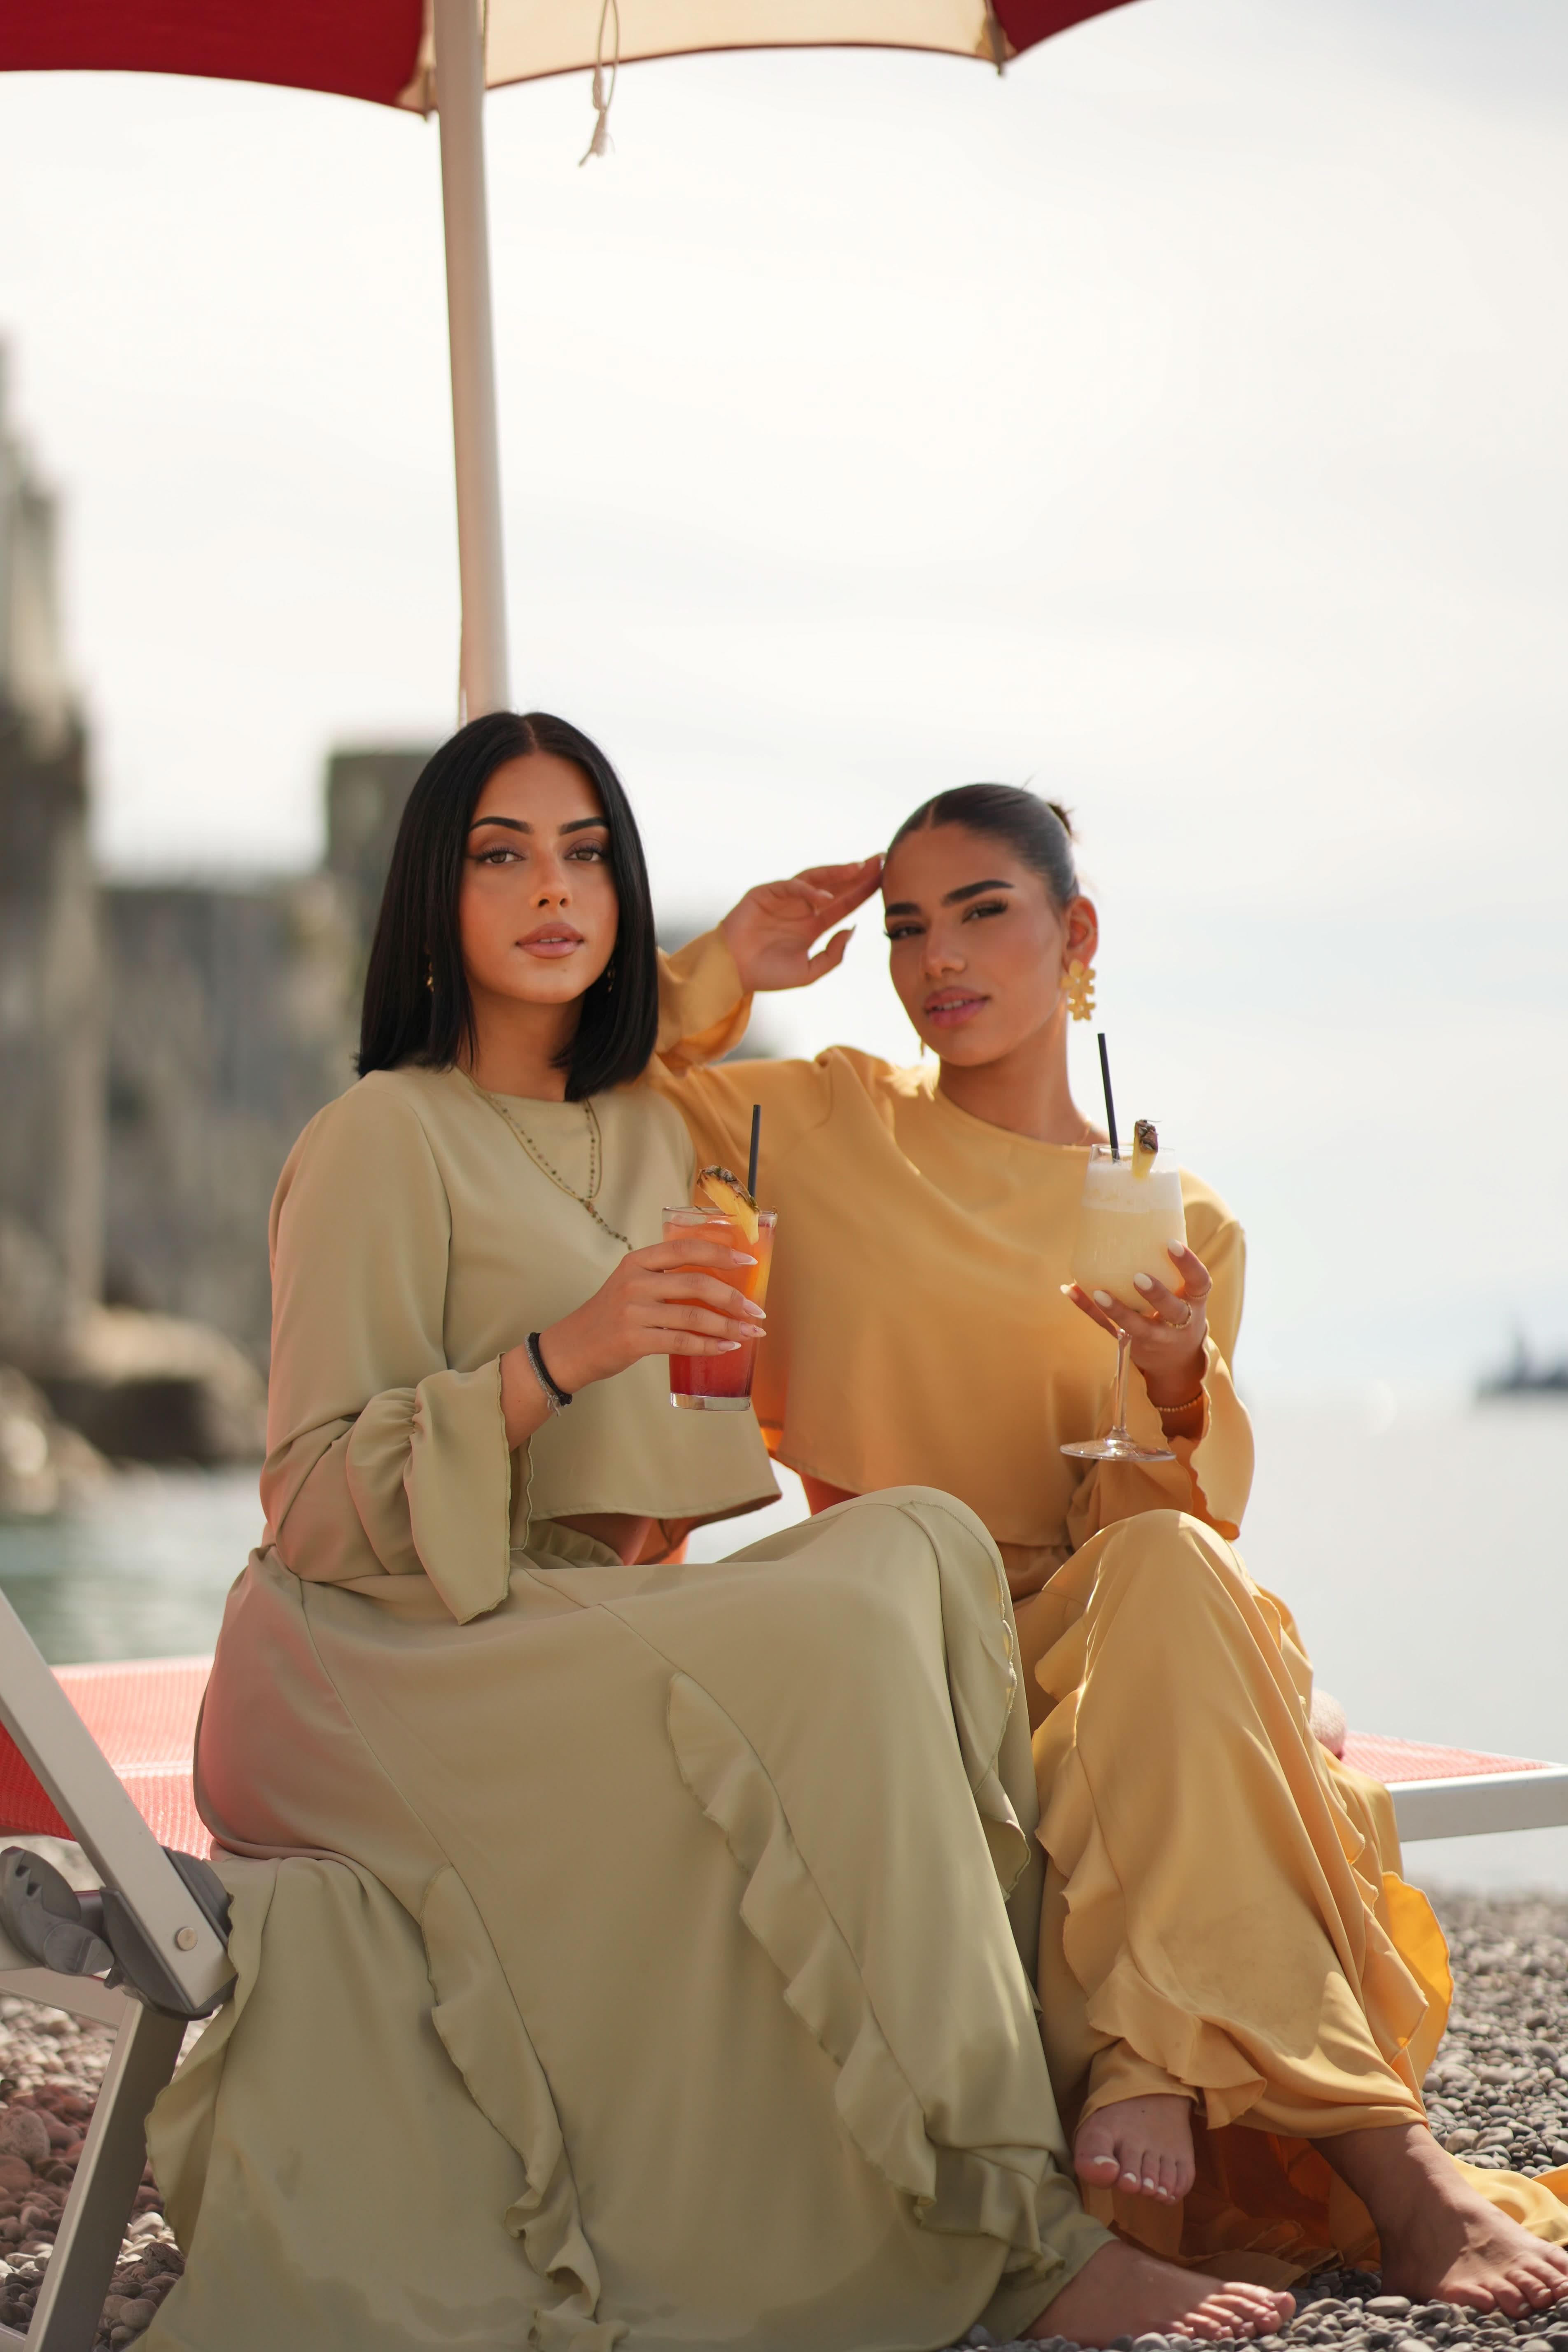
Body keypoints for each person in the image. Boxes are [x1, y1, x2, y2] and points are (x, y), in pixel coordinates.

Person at [141, 719, 1289, 2352]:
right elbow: (314, 1507)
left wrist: (728, 959)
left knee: (917, 1545)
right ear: (432, 897)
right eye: (502, 855)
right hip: (373, 1660)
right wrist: (571, 1353)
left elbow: (642, 1057)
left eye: (587, 854)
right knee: (835, 1637)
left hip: (555, 1630)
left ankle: (1009, 2086)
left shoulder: (642, 1139)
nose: (553, 890)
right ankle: (1025, 2237)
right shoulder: (379, 1136)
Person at [651, 783, 1568, 2312]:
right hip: (904, 1637)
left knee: (1171, 1577)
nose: (938, 958)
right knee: (1205, 1637)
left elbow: (1156, 1529)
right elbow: (570, 1078)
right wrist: (726, 962)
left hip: (1113, 1625)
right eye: (906, 927)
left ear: (1077, 934)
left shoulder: (1178, 1216)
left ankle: (1207, 2087)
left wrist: (1177, 1382)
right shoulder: (819, 1122)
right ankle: (1379, 2163)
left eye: (982, 912)